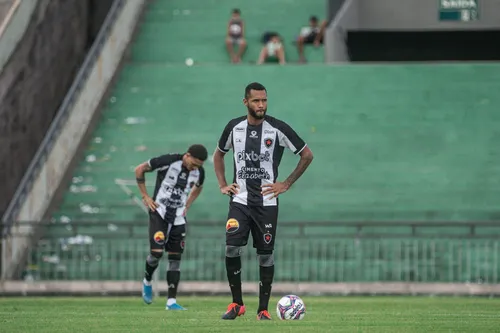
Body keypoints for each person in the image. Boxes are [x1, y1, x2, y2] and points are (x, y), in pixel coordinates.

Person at [213, 82, 314, 320]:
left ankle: (263, 309)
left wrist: (286, 183)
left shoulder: (277, 128)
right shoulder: (234, 127)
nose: (261, 105)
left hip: (267, 203)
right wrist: (222, 184)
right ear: (245, 102)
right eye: (257, 100)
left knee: (265, 255)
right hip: (239, 199)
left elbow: (307, 155)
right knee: (231, 247)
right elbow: (218, 154)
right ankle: (236, 304)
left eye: (264, 100)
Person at [135, 144, 208, 310]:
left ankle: (171, 302)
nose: (194, 168)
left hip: (178, 218)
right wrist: (145, 196)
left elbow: (199, 187)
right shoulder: (167, 161)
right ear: (187, 155)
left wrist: (188, 204)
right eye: (194, 163)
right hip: (159, 212)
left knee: (175, 259)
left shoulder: (199, 172)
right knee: (156, 253)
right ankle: (147, 281)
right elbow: (139, 169)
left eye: (198, 166)